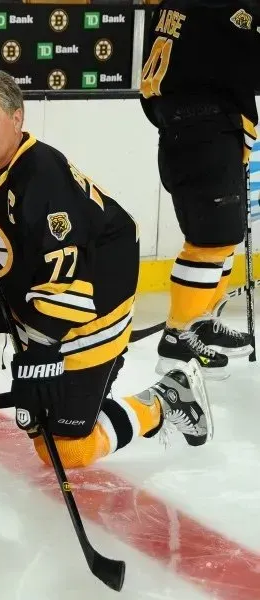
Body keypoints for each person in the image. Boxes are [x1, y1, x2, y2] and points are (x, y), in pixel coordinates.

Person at [0, 68, 212, 469]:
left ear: (17, 118)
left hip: (92, 307)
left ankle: (166, 398)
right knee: (40, 421)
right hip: (48, 299)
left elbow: (67, 270)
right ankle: (81, 390)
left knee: (68, 449)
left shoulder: (41, 179)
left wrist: (41, 350)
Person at [139, 0, 260, 378]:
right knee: (211, 241)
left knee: (221, 238)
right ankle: (178, 337)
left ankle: (202, 320)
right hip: (202, 131)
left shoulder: (176, 4)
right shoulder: (225, 6)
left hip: (197, 130)